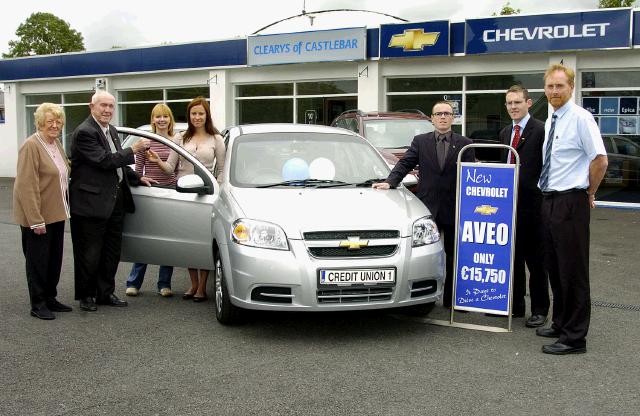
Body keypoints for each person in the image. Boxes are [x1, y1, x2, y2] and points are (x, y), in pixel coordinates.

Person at [373, 101, 474, 308]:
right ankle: (424, 297)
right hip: (429, 208)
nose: (443, 117)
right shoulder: (421, 141)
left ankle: (453, 299)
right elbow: (405, 163)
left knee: (455, 255)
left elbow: (473, 175)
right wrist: (390, 182)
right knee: (426, 253)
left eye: (447, 113)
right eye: (439, 114)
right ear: (432, 118)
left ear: (452, 117)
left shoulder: (465, 143)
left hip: (455, 208)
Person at [536, 64, 608, 355]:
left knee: (573, 270)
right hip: (550, 200)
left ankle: (575, 338)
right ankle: (561, 321)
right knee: (554, 266)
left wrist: (589, 192)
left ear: (571, 87)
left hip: (571, 202)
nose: (554, 91)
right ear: (545, 89)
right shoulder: (552, 118)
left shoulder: (581, 118)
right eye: (550, 86)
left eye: (560, 86)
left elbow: (600, 160)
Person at [69, 90, 155, 312]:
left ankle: (105, 293)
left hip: (114, 201)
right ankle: (86, 296)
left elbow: (119, 165)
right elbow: (104, 161)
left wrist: (137, 177)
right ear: (92, 107)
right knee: (89, 253)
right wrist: (133, 149)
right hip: (90, 204)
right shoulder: (85, 132)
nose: (107, 110)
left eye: (111, 106)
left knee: (111, 251)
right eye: (103, 106)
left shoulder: (112, 130)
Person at [149, 96, 225, 302]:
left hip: (206, 195)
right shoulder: (180, 138)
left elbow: (223, 169)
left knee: (203, 240)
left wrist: (216, 189)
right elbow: (169, 168)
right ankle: (193, 284)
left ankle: (202, 287)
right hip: (183, 194)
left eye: (201, 113)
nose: (197, 117)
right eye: (194, 113)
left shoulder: (216, 139)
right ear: (189, 116)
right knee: (188, 240)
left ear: (206, 115)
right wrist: (157, 161)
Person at [13, 103, 72, 320]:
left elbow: (63, 172)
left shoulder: (55, 143)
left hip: (56, 213)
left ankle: (50, 298)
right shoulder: (31, 146)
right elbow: (25, 186)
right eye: (50, 122)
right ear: (40, 123)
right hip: (37, 217)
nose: (55, 125)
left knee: (54, 260)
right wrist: (35, 220)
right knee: (37, 261)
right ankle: (38, 304)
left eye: (58, 121)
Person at [499, 85, 549, 326]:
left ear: (528, 103)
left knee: (536, 262)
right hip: (510, 208)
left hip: (534, 207)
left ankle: (539, 310)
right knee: (513, 260)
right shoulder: (505, 132)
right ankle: (515, 306)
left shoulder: (541, 129)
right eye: (509, 103)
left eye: (517, 102)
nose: (513, 107)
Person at [125, 104, 178, 298]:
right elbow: (138, 171)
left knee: (168, 241)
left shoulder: (176, 141)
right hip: (151, 193)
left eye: (165, 116)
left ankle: (164, 284)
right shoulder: (145, 142)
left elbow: (177, 170)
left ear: (170, 119)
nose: (162, 120)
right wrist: (139, 181)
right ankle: (133, 283)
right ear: (152, 120)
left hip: (171, 194)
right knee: (146, 239)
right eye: (158, 117)